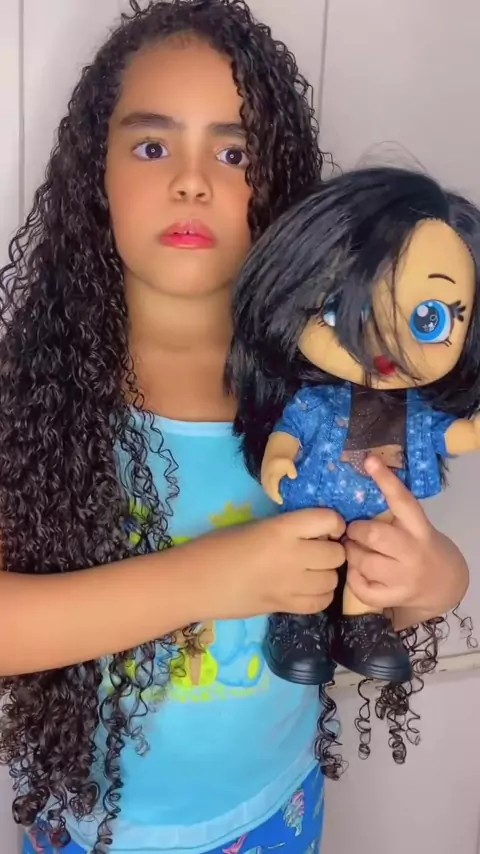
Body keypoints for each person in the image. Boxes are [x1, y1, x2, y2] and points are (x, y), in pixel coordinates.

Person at [0, 2, 467, 853]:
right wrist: (209, 579)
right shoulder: (30, 393)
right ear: (94, 171)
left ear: (278, 179)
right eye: (152, 147)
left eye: (234, 151)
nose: (191, 182)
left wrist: (433, 579)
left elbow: (369, 591)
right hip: (95, 831)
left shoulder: (325, 385)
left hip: (275, 812)